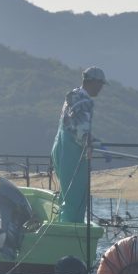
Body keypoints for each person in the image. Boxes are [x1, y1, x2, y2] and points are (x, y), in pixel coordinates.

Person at [51, 66, 106, 223]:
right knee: (76, 197)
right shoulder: (84, 101)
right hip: (72, 154)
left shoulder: (72, 96)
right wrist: (93, 142)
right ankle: (72, 233)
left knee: (66, 195)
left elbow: (73, 125)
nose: (101, 88)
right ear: (93, 82)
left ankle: (62, 225)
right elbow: (81, 131)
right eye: (100, 84)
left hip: (60, 148)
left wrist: (92, 139)